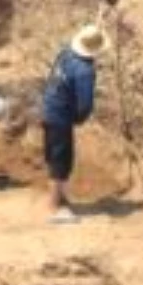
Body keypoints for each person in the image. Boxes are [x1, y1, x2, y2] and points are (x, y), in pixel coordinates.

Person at [41, 25, 106, 224]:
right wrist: (78, 118)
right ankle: (54, 208)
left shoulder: (65, 52)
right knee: (61, 160)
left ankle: (58, 197)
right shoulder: (84, 71)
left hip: (47, 107)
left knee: (53, 155)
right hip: (61, 116)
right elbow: (85, 104)